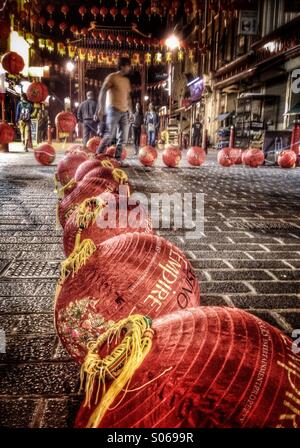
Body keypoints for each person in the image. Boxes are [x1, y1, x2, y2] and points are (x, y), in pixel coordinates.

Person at [96, 57, 132, 161]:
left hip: (124, 112)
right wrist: (101, 107)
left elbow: (128, 98)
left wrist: (131, 112)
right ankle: (98, 156)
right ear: (122, 66)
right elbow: (103, 91)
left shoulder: (126, 80)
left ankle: (117, 159)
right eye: (128, 65)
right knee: (109, 135)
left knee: (123, 138)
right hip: (113, 110)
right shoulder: (112, 77)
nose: (129, 68)